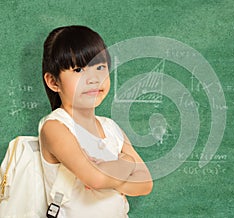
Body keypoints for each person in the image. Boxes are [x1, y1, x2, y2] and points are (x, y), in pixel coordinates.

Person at [39, 25, 153, 217]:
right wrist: (129, 164)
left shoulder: (111, 127)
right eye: (78, 69)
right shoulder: (55, 127)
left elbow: (146, 183)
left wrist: (117, 166)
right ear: (53, 82)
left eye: (100, 67)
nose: (93, 78)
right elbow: (96, 179)